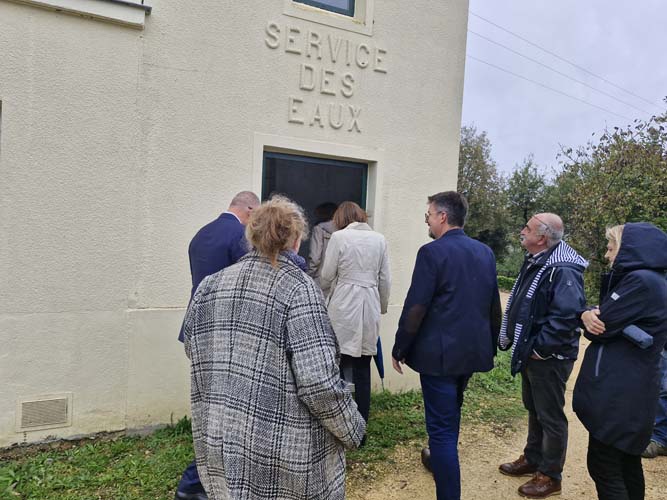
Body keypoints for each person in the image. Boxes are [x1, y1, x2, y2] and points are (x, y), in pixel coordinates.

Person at [182, 195, 366, 500]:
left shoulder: (210, 285)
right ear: (296, 239)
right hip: (283, 454)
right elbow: (319, 382)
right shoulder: (299, 289)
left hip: (223, 441)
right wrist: (352, 428)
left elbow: (194, 348)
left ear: (250, 236)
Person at [391, 191, 501, 500]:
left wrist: (400, 347)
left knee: (440, 431)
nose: (426, 219)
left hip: (439, 357)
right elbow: (494, 306)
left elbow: (417, 306)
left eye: (428, 214)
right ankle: (441, 460)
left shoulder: (432, 253)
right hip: (471, 352)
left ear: (442, 216)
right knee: (450, 417)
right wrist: (490, 344)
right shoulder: (485, 252)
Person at [175, 191, 260, 500]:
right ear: (250, 210)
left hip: (196, 327)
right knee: (226, 413)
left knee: (209, 406)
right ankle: (205, 478)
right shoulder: (240, 236)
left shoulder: (201, 233)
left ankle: (203, 475)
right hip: (225, 332)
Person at [573, 223, 667, 500]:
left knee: (605, 467)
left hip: (620, 393)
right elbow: (606, 318)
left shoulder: (640, 282)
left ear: (630, 250)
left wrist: (586, 315)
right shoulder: (654, 281)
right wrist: (590, 312)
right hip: (635, 388)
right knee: (626, 462)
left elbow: (600, 327)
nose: (606, 254)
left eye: (611, 247)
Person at [498, 213, 587, 499]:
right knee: (534, 408)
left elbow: (565, 317)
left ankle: (550, 475)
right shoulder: (538, 261)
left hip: (548, 357)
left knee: (550, 415)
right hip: (533, 352)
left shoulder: (563, 269)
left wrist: (539, 349)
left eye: (528, 228)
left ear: (542, 237)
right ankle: (533, 458)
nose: (522, 231)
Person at [320, 201, 391, 426]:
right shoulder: (380, 239)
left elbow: (326, 275)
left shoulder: (339, 237)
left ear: (340, 219)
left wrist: (324, 296)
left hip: (343, 304)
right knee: (363, 367)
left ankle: (337, 422)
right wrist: (382, 307)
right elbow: (385, 279)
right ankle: (361, 425)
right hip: (369, 304)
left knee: (337, 363)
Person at [308, 202, 338, 288]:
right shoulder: (344, 230)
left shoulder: (319, 229)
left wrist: (309, 275)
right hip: (338, 282)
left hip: (320, 279)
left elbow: (315, 257)